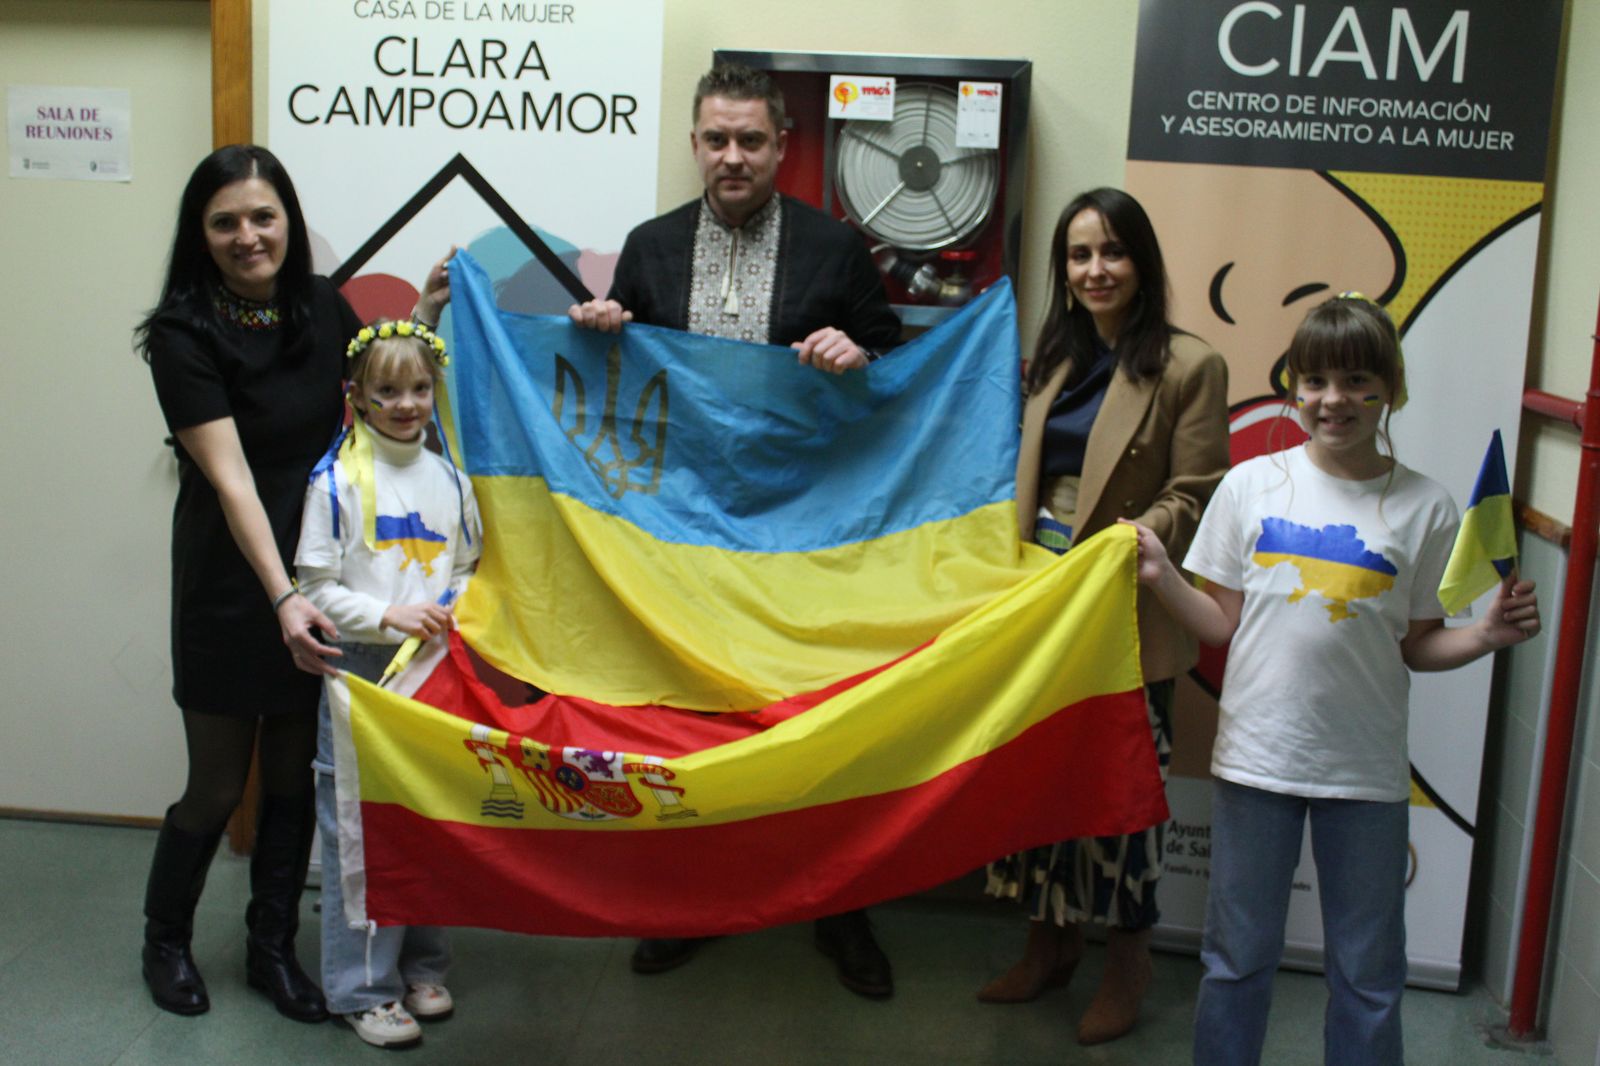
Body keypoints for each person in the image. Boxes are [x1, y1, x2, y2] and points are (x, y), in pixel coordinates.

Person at [1124, 295, 1541, 1065]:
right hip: (1256, 761)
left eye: (1356, 381)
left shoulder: (1428, 507)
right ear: (1294, 386)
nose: (1333, 400)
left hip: (1367, 773)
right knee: (1236, 961)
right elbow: (1219, 622)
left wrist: (1484, 633)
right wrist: (1157, 574)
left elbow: (1420, 646)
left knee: (1369, 975)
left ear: (1390, 389)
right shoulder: (1251, 486)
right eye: (1314, 381)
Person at [567, 62, 902, 997]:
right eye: (716, 138)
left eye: (751, 139)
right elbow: (618, 391)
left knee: (817, 720)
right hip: (682, 535)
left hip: (803, 533)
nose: (732, 157)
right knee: (689, 726)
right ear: (694, 143)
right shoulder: (652, 246)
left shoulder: (837, 250)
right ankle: (688, 903)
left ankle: (841, 907)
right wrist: (600, 328)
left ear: (782, 146)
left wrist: (859, 351)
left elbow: (898, 374)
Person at [138, 144, 449, 1021]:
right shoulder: (182, 333)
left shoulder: (320, 305)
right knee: (216, 780)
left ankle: (271, 950)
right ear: (201, 235)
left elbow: (377, 388)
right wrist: (282, 597)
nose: (248, 236)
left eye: (263, 217)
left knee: (289, 774)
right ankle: (165, 940)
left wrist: (424, 312)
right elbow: (233, 479)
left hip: (322, 571)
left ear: (289, 223)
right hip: (236, 585)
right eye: (226, 222)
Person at [979, 187, 1229, 1045]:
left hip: (1122, 605)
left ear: (1143, 263)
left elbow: (1196, 493)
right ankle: (1048, 944)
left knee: (1121, 798)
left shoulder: (1191, 365)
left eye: (1112, 252)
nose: (1095, 270)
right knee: (1040, 785)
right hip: (1040, 606)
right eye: (1079, 255)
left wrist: (1134, 540)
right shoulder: (1048, 358)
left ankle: (1128, 959)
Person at [297, 319, 481, 1048]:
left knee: (428, 817)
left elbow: (467, 568)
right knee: (360, 829)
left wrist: (449, 610)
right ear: (359, 398)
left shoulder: (452, 480)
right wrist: (386, 616)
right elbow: (314, 586)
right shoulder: (335, 480)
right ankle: (361, 989)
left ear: (434, 392)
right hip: (362, 675)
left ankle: (422, 968)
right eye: (387, 391)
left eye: (418, 388)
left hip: (435, 674)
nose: (405, 404)